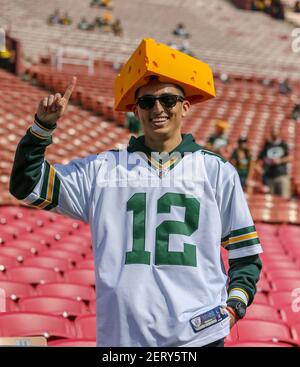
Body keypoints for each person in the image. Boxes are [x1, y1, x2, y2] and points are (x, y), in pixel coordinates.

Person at [10, 39, 262, 347]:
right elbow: (27, 184)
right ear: (135, 110)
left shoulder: (217, 171)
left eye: (168, 100)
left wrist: (233, 308)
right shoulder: (102, 169)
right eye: (146, 102)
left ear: (185, 106)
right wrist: (41, 129)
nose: (158, 108)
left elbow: (246, 256)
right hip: (123, 339)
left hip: (199, 338)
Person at [257, 126, 291, 198]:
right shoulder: (267, 145)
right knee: (272, 200)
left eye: (275, 131)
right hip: (270, 178)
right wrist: (262, 168)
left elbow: (290, 157)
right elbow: (260, 159)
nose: (274, 133)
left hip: (282, 176)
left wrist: (280, 160)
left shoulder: (283, 145)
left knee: (284, 199)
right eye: (273, 131)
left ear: (279, 132)